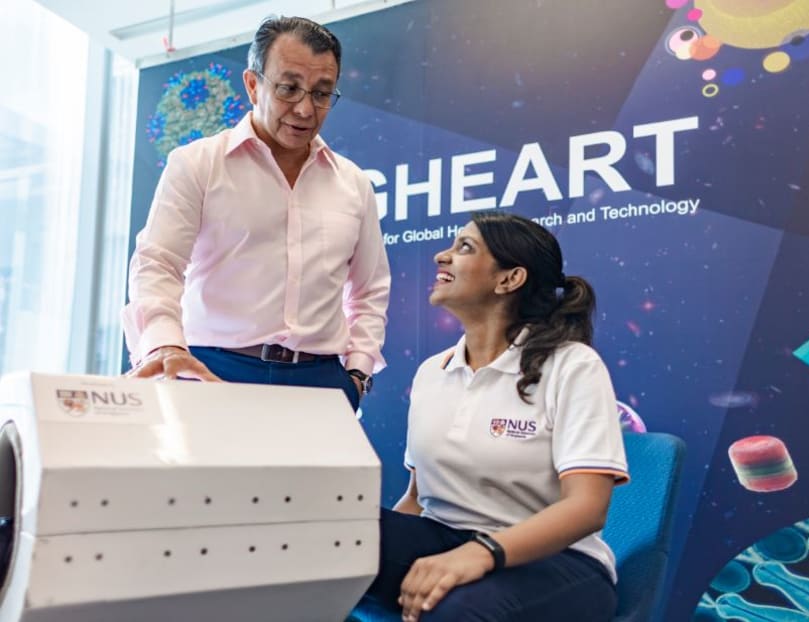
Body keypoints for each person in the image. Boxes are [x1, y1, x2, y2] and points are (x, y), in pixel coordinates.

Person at [361, 212, 629, 621]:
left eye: (464, 247)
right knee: (325, 539)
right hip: (442, 538)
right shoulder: (432, 372)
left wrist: (481, 552)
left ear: (510, 279)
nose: (441, 256)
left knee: (454, 611)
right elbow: (416, 499)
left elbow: (587, 508)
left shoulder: (573, 365)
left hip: (558, 562)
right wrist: (368, 552)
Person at [122, 16, 390, 410]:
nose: (305, 109)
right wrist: (164, 345)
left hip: (321, 381)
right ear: (252, 84)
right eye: (288, 88)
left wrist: (358, 374)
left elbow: (370, 290)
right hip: (212, 369)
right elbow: (157, 264)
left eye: (321, 93)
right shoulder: (197, 164)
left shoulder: (354, 183)